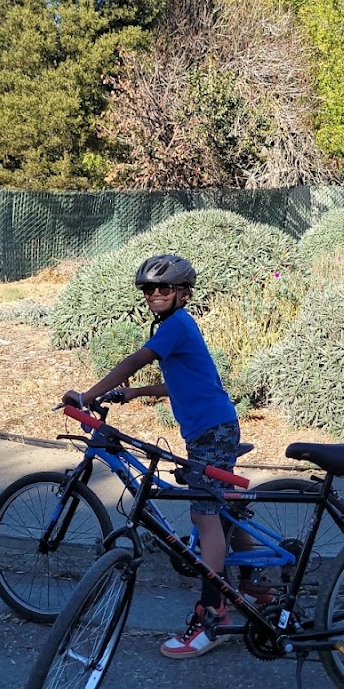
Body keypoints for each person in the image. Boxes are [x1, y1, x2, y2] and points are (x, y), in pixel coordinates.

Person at [62, 253, 241, 659]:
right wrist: (135, 394)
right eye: (148, 289)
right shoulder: (179, 327)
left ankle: (213, 616)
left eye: (164, 288)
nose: (155, 294)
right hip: (210, 427)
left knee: (204, 516)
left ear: (182, 293)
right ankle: (255, 585)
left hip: (212, 431)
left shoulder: (176, 324)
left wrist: (86, 395)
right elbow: (178, 381)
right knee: (219, 505)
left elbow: (135, 360)